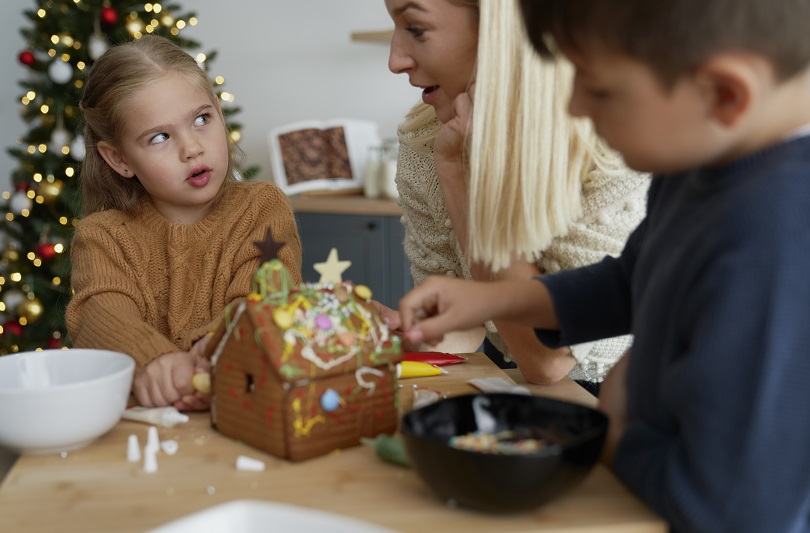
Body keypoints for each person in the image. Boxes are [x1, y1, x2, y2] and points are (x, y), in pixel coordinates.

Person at [399, 0, 810, 530]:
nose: (573, 107)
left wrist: (610, 430)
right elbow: (628, 283)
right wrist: (493, 299)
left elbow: (732, 510)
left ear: (723, 93)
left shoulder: (773, 239)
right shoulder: (700, 165)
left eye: (599, 89)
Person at [382, 0, 648, 393]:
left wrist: (464, 174)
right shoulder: (426, 142)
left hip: (621, 402)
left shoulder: (614, 147)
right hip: (514, 385)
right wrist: (394, 337)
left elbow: (546, 361)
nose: (395, 60)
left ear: (499, 30)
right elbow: (466, 325)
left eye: (415, 28)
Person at [67, 36, 301, 411]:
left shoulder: (261, 208)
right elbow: (102, 311)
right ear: (118, 158)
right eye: (160, 137)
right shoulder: (102, 237)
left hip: (248, 416)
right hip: (142, 435)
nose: (191, 148)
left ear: (220, 115)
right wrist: (154, 360)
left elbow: (260, 298)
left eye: (201, 119)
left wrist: (210, 350)